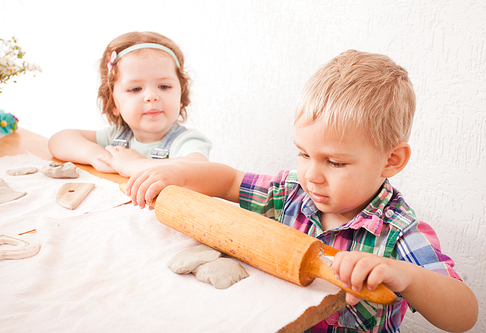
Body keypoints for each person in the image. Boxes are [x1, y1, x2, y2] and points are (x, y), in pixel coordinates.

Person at [125, 50, 478, 332]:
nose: (313, 175)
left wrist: (406, 275)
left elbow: (464, 314)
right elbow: (230, 180)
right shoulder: (290, 193)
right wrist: (178, 172)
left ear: (391, 160)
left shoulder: (398, 234)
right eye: (304, 153)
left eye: (335, 163)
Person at [48, 31, 212, 177]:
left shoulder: (186, 141)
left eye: (164, 86)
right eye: (135, 89)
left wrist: (135, 165)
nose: (151, 97)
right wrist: (95, 155)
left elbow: (199, 170)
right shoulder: (116, 136)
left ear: (181, 95)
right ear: (113, 103)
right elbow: (58, 140)